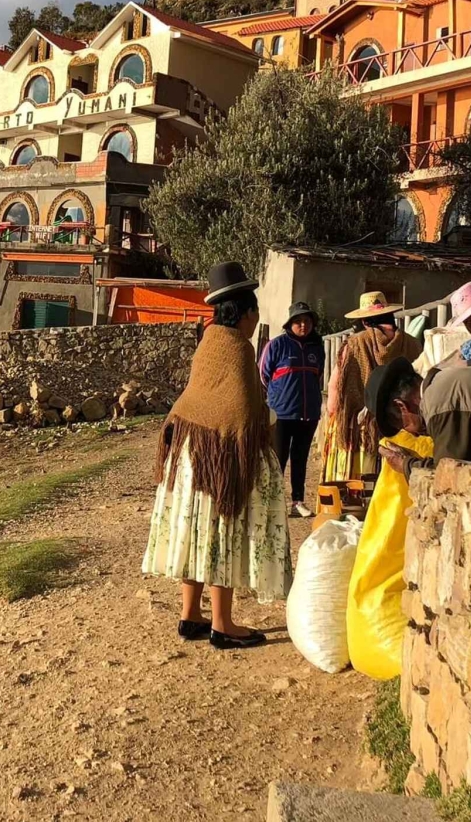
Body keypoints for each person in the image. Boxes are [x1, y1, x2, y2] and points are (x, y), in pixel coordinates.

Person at [142, 261, 292, 650]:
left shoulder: (208, 341)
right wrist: (265, 423)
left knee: (195, 530)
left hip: (190, 455)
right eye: (255, 312)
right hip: (220, 458)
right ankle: (223, 624)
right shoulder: (239, 348)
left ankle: (191, 615)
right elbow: (242, 411)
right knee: (221, 529)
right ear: (245, 313)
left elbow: (206, 398)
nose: (256, 319)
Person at [324, 291, 422, 486]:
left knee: (354, 489)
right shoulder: (413, 344)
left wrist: (335, 419)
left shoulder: (353, 344)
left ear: (365, 322)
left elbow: (335, 388)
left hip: (358, 431)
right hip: (400, 427)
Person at [260, 301, 324, 518]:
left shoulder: (317, 347)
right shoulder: (276, 345)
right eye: (298, 321)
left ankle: (297, 501)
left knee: (300, 458)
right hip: (281, 414)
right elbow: (263, 375)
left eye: (307, 321)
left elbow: (318, 375)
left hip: (308, 414)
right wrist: (279, 397)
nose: (303, 325)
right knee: (277, 458)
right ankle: (272, 502)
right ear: (290, 324)